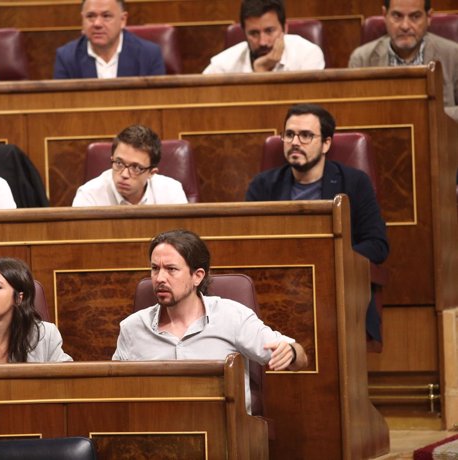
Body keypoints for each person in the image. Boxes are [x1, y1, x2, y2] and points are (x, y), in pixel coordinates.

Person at [112, 229, 307, 411]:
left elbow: (299, 359)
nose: (160, 278)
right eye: (155, 269)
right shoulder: (132, 328)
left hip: (224, 434)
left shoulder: (232, 317)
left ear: (197, 276)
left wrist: (291, 352)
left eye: (171, 269)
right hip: (156, 435)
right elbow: (114, 392)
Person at [245, 103, 389, 342]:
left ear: (326, 144)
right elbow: (250, 246)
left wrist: (328, 260)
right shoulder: (263, 186)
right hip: (277, 289)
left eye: (306, 135)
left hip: (334, 289)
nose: (295, 142)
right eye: (289, 134)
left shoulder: (354, 183)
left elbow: (377, 245)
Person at [348, 0, 458, 121]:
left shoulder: (453, 55)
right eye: (397, 16)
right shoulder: (362, 59)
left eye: (415, 16)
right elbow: (355, 115)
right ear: (385, 15)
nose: (405, 26)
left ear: (429, 17)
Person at [72, 125, 188, 206]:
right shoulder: (89, 196)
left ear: (151, 173)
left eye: (136, 167)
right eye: (119, 163)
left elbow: (182, 240)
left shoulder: (171, 192)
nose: (124, 174)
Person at [203, 0, 324, 74]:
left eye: (269, 31)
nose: (262, 42)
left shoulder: (308, 55)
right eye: (254, 33)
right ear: (244, 33)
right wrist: (260, 69)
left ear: (285, 29)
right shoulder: (223, 65)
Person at [53, 0, 165, 79]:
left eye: (106, 16)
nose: (97, 24)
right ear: (82, 19)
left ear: (122, 20)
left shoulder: (149, 55)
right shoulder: (66, 57)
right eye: (91, 16)